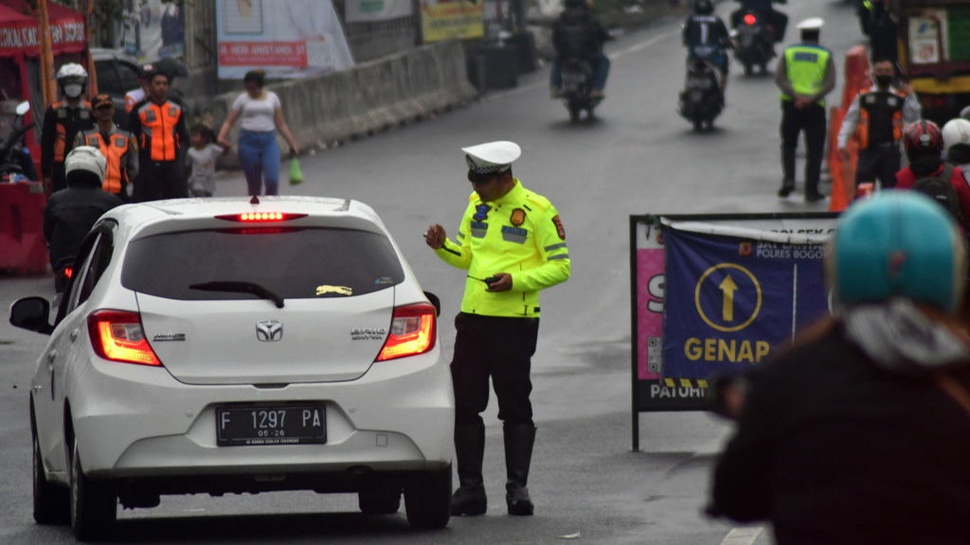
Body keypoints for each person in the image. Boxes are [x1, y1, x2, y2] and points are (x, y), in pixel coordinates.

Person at [708, 191, 970, 544]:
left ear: (840, 270)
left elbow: (736, 498)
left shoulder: (791, 374)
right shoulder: (958, 370)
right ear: (949, 272)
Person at [424, 141, 571, 517]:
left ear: (504, 179)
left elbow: (561, 267)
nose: (475, 188)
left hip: (515, 323)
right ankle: (471, 489)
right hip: (473, 319)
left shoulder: (537, 211)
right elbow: (468, 256)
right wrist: (443, 247)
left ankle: (517, 489)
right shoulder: (476, 206)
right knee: (465, 405)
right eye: (472, 179)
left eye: (481, 181)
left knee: (515, 406)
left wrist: (516, 280)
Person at [43, 146, 124, 291]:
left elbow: (47, 232)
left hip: (63, 265)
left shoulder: (55, 199)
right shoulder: (112, 201)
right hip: (97, 266)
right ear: (100, 168)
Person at [775, 18, 836, 202]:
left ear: (801, 36)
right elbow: (830, 83)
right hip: (815, 108)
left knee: (789, 144)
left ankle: (789, 181)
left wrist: (796, 96)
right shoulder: (825, 55)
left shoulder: (789, 52)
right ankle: (811, 190)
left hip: (791, 106)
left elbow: (780, 78)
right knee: (815, 149)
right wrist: (810, 98)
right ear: (817, 36)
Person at [837, 58, 921, 192]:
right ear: (873, 74)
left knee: (892, 191)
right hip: (867, 151)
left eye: (887, 71)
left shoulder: (900, 97)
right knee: (863, 190)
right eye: (880, 71)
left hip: (891, 152)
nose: (883, 74)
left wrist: (911, 96)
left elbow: (914, 117)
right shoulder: (863, 97)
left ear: (893, 73)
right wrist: (841, 143)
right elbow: (850, 120)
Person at [217, 70, 299, 196]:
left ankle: (270, 208)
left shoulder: (273, 98)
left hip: (268, 142)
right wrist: (221, 137)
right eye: (248, 88)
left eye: (254, 88)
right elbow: (229, 121)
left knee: (272, 180)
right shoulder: (242, 99)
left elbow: (281, 124)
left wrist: (292, 143)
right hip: (248, 142)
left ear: (260, 86)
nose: (252, 91)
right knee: (254, 184)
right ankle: (255, 210)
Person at [895, 120, 970, 230]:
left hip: (915, 242)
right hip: (951, 240)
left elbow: (895, 219)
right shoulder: (955, 174)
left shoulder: (901, 178)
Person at [128, 68, 190, 202]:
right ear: (149, 86)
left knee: (178, 200)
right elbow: (133, 137)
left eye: (165, 83)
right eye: (158, 83)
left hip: (172, 163)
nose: (162, 87)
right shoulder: (140, 109)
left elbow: (184, 135)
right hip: (148, 164)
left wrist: (182, 158)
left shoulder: (176, 107)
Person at [41, 63, 94, 196]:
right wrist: (46, 174)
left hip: (86, 161)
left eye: (77, 81)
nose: (73, 85)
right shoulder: (53, 111)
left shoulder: (91, 110)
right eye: (68, 81)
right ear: (61, 85)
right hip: (61, 166)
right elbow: (46, 143)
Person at [76, 94, 139, 201]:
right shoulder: (84, 136)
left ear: (113, 110)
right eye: (100, 108)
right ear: (94, 112)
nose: (105, 111)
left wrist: (128, 182)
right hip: (94, 192)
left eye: (108, 107)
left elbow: (134, 166)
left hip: (120, 192)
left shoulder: (127, 136)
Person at [549, 0, 611, 100]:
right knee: (604, 61)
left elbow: (555, 39)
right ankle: (597, 89)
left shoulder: (560, 19)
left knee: (557, 61)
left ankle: (555, 87)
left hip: (566, 56)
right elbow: (602, 34)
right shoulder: (590, 18)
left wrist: (561, 51)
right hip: (588, 55)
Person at [683, 0, 731, 86]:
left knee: (689, 65)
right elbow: (725, 38)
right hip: (713, 56)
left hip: (696, 55)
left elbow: (686, 39)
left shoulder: (691, 20)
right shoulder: (717, 20)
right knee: (724, 66)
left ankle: (688, 85)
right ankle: (721, 90)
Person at [186, 124, 227, 197]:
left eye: (195, 136)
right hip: (196, 182)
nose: (192, 138)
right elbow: (187, 166)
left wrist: (226, 145)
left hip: (209, 182)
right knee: (201, 197)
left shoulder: (212, 149)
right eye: (191, 136)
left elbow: (224, 152)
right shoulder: (191, 152)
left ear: (203, 138)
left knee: (208, 200)